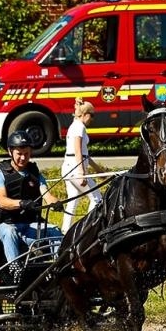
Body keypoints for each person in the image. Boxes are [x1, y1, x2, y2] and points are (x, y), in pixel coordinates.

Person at [0, 129, 63, 262]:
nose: (23, 158)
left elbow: (46, 194)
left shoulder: (35, 174)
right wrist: (21, 203)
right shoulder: (0, 174)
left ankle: (58, 267)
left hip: (29, 225)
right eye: (19, 154)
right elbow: (1, 201)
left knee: (55, 231)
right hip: (5, 225)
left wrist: (55, 202)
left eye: (27, 154)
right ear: (10, 151)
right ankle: (14, 269)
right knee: (10, 232)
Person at [61, 99, 100, 232]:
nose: (92, 119)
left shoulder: (75, 124)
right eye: (92, 115)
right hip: (75, 168)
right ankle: (87, 229)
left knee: (72, 201)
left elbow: (84, 154)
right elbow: (77, 150)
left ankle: (64, 231)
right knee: (97, 198)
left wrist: (99, 169)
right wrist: (81, 173)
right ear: (86, 114)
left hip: (68, 167)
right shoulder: (79, 127)